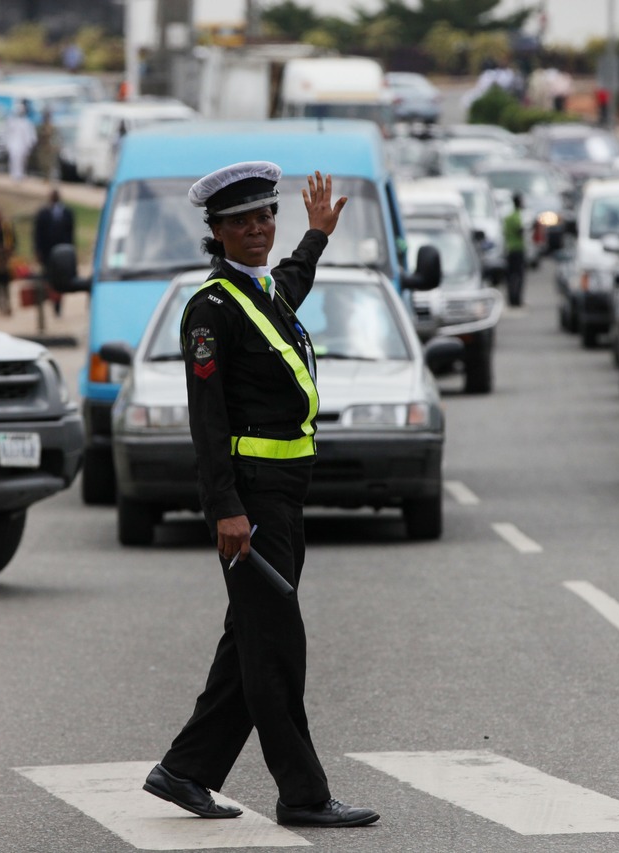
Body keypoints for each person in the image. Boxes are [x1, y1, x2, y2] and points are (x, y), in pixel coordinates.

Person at [142, 162, 379, 829]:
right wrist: (225, 507)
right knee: (276, 645)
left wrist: (316, 237)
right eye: (242, 221)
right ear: (215, 231)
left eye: (266, 216)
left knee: (251, 640)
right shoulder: (210, 309)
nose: (258, 228)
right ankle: (302, 794)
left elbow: (292, 283)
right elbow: (207, 419)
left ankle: (184, 770)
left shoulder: (263, 291)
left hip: (283, 495)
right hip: (252, 500)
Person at [33, 187, 75, 316]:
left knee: (62, 279)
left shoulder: (67, 213)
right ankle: (51, 302)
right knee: (48, 280)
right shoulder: (43, 213)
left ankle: (58, 305)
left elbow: (71, 234)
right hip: (47, 254)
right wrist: (38, 251)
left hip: (63, 254)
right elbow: (37, 234)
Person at [503, 191, 527, 307]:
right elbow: (520, 231)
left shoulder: (507, 218)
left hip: (509, 249)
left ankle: (510, 299)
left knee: (510, 276)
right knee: (519, 276)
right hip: (518, 249)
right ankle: (517, 299)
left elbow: (505, 233)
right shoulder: (518, 216)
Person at [4, 101, 37, 182]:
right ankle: (14, 174)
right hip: (13, 144)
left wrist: (30, 143)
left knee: (22, 160)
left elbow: (30, 135)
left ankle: (20, 175)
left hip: (23, 145)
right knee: (13, 159)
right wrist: (7, 143)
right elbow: (7, 133)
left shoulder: (26, 122)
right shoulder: (12, 121)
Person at [34, 108, 58, 182]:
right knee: (43, 163)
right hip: (42, 147)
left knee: (49, 164)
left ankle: (48, 178)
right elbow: (38, 136)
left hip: (49, 148)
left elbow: (55, 137)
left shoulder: (52, 127)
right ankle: (45, 177)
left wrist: (54, 146)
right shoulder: (40, 127)